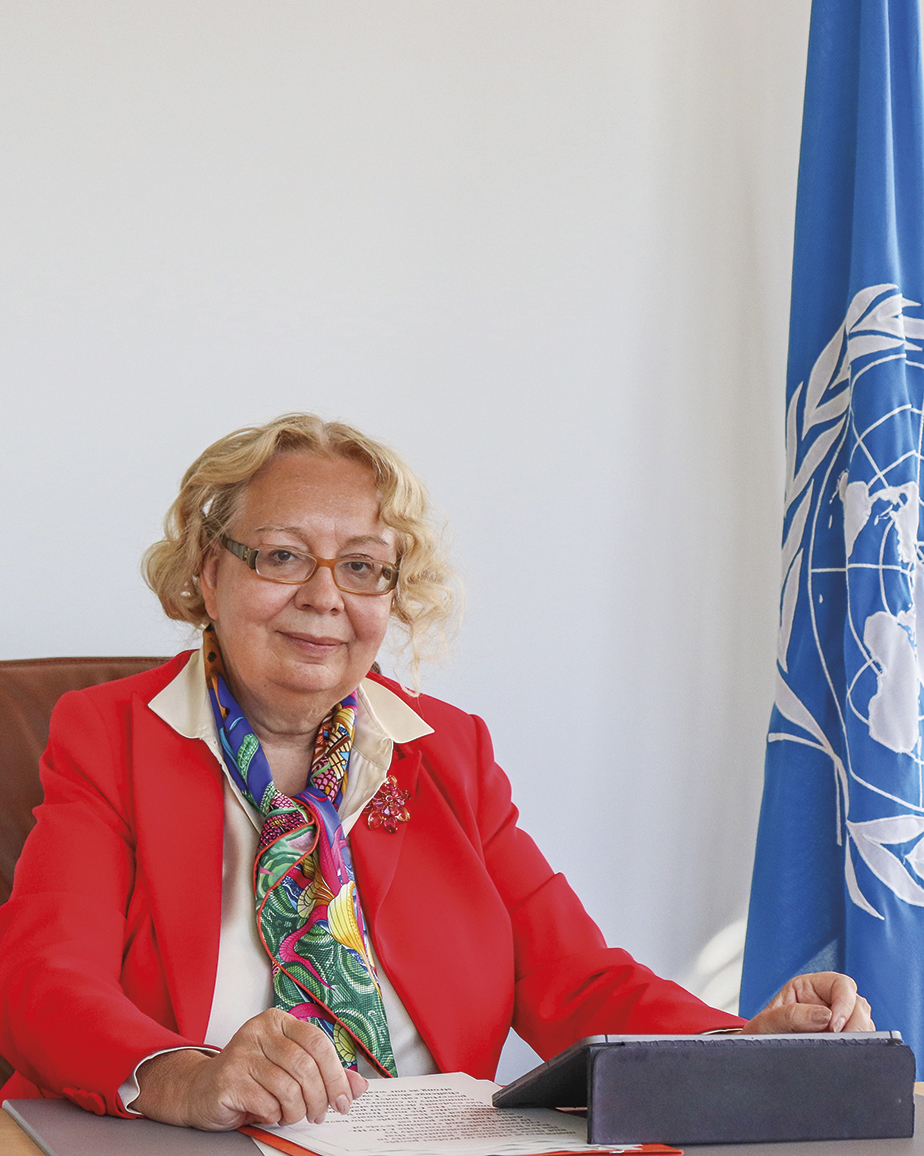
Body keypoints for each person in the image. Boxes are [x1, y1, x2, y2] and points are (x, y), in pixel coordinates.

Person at [0, 414, 874, 1133]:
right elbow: (45, 978)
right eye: (280, 556)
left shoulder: (446, 751)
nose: (324, 595)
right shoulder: (108, 734)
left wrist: (748, 1051)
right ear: (207, 568)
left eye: (362, 567)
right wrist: (185, 1077)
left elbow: (577, 980)